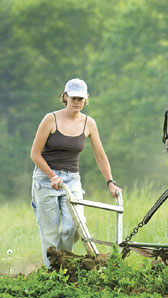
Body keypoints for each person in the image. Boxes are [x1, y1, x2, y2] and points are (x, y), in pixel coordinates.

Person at [31, 78, 122, 269]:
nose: (77, 102)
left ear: (86, 99)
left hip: (72, 180)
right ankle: (52, 272)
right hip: (45, 179)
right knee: (51, 232)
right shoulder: (51, 119)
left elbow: (100, 156)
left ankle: (63, 263)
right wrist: (51, 175)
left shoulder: (89, 123)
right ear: (65, 97)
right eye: (73, 98)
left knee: (74, 226)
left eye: (81, 98)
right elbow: (35, 154)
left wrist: (110, 183)